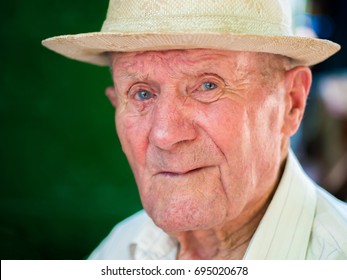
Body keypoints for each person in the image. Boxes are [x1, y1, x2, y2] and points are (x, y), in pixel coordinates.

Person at [42, 0, 347, 259]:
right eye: (142, 93)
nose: (165, 135)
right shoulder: (120, 249)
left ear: (291, 103)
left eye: (208, 86)